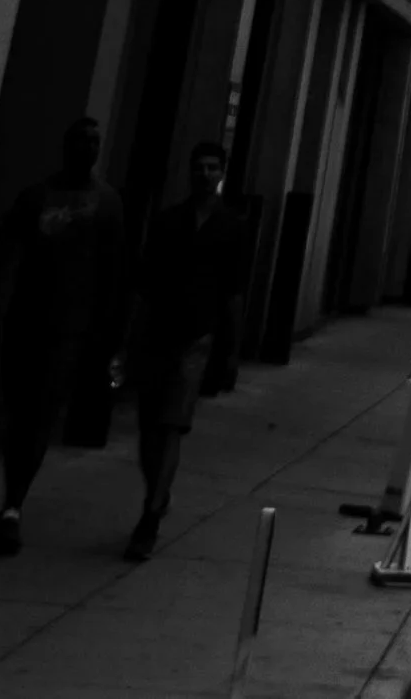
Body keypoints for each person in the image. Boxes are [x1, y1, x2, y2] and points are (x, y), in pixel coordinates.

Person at [0, 116, 126, 556]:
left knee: (39, 414)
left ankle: (12, 506)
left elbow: (113, 274)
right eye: (81, 140)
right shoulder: (36, 197)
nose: (88, 148)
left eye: (95, 141)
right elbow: (6, 257)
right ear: (66, 146)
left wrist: (108, 336)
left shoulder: (108, 203)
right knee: (20, 412)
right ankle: (11, 500)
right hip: (26, 320)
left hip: (70, 330)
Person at [123, 139, 247, 560]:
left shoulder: (231, 226)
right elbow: (145, 282)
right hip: (157, 332)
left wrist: (229, 350)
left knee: (172, 424)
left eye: (213, 168)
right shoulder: (168, 221)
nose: (205, 174)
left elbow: (233, 291)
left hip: (196, 338)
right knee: (149, 427)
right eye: (199, 167)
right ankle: (157, 492)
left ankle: (151, 513)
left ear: (222, 173)